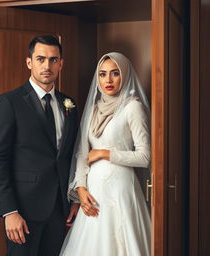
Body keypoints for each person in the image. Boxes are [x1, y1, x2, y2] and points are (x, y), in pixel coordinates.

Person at [0, 35, 79, 256]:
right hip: (23, 213)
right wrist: (9, 211)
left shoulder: (69, 104)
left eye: (53, 60)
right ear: (29, 62)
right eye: (40, 59)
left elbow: (73, 155)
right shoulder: (10, 102)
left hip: (60, 212)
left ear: (61, 64)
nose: (47, 66)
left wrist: (74, 198)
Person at [60, 52, 151, 256]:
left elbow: (145, 157)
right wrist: (81, 190)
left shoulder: (132, 107)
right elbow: (82, 154)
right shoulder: (93, 109)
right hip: (93, 193)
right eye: (102, 74)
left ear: (124, 75)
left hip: (120, 191)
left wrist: (103, 153)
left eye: (114, 73)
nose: (108, 80)